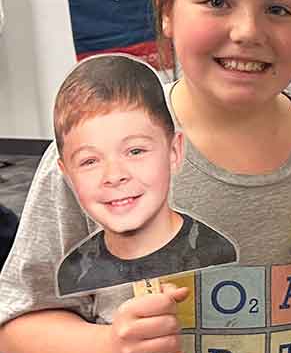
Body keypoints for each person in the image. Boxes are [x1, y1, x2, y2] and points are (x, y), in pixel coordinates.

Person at [0, 0, 291, 353]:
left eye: (277, 8)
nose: (248, 30)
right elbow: (20, 319)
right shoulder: (97, 150)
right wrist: (106, 350)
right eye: (216, 2)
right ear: (167, 9)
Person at [53, 55, 236, 296]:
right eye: (89, 161)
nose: (114, 176)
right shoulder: (74, 272)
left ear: (174, 151)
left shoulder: (215, 252)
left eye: (135, 151)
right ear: (66, 174)